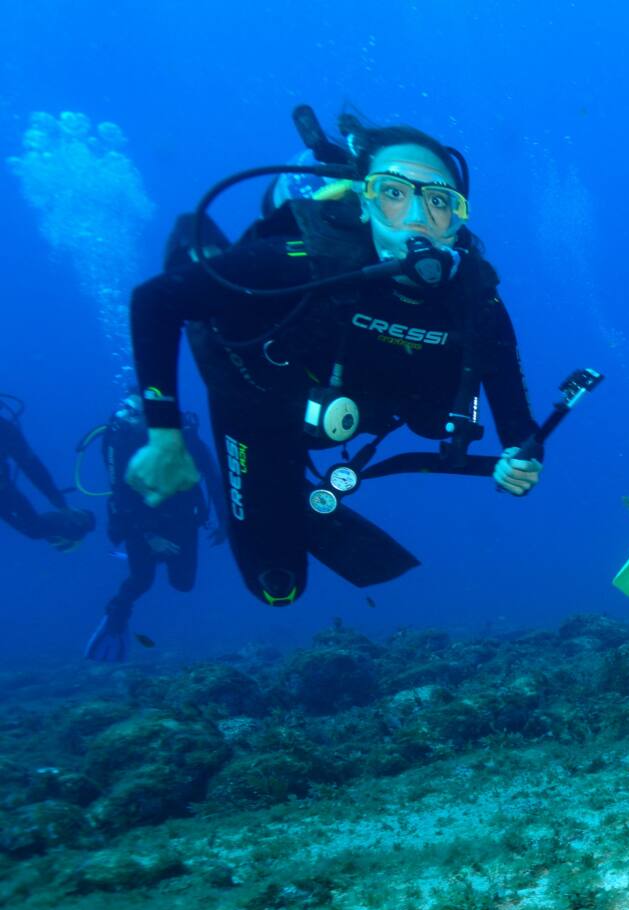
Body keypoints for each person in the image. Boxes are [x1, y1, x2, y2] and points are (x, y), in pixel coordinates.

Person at [120, 111, 546, 607]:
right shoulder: (308, 259)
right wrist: (165, 439)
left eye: (438, 201)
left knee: (279, 578)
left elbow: (520, 426)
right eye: (392, 192)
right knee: (277, 584)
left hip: (341, 408)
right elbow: (154, 302)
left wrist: (523, 460)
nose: (416, 216)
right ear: (363, 203)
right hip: (254, 391)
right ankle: (199, 250)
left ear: (455, 220)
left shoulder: (478, 300)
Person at [83, 395, 222, 661]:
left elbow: (213, 477)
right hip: (138, 520)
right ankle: (115, 621)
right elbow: (121, 494)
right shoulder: (123, 439)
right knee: (141, 580)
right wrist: (149, 535)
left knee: (183, 583)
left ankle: (152, 557)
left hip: (181, 517)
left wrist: (225, 522)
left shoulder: (185, 434)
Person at [0, 393, 94, 551]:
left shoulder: (5, 430)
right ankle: (71, 523)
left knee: (32, 528)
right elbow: (32, 467)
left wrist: (60, 504)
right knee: (32, 528)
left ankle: (71, 524)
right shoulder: (6, 430)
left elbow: (32, 467)